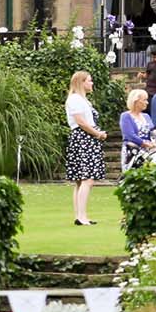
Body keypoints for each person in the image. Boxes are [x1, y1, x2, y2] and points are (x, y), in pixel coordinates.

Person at [61, 71, 106, 224]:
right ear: (81, 82)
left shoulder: (82, 100)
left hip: (86, 138)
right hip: (83, 138)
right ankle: (80, 216)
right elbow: (81, 122)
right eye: (89, 80)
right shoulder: (75, 99)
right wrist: (97, 134)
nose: (92, 83)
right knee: (87, 179)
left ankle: (81, 215)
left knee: (81, 180)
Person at [119, 89, 156, 171]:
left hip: (149, 151)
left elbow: (153, 131)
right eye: (144, 100)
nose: (147, 102)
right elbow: (129, 135)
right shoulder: (126, 116)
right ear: (136, 101)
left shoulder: (146, 116)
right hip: (133, 151)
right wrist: (144, 143)